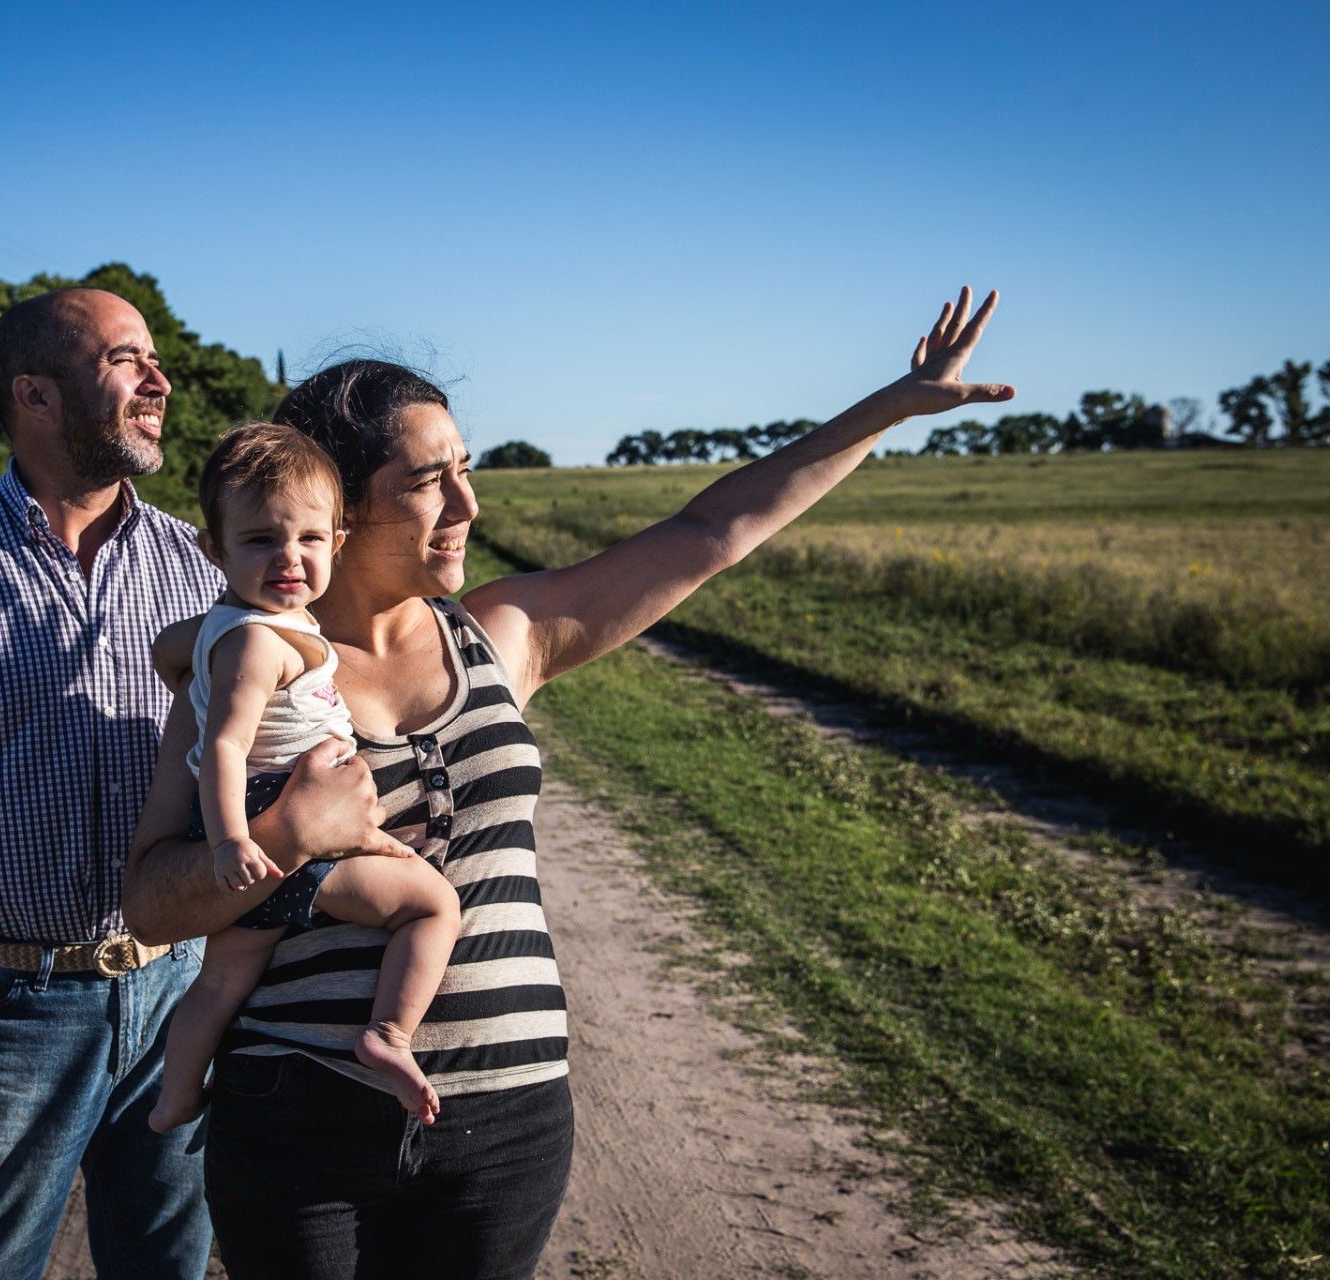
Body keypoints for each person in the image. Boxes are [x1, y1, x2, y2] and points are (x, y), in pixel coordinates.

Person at [122, 288, 1013, 1279]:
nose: (469, 506)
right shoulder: (250, 670)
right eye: (431, 481)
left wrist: (894, 404)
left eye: (466, 472)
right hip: (298, 1115)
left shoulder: (502, 635)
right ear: (342, 500)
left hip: (511, 1117)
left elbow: (713, 528)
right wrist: (287, 834)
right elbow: (151, 903)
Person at [0, 287, 404, 1280]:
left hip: (183, 990)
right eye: (127, 360)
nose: (161, 380)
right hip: (4, 1009)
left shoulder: (206, 562)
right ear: (35, 394)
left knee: (169, 1264)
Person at [146, 423, 463, 1135]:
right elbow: (226, 745)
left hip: (264, 823)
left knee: (222, 979)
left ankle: (173, 1098)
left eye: (310, 540)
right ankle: (388, 1033)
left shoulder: (236, 628)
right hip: (278, 820)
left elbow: (169, 652)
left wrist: (193, 664)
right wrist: (232, 843)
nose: (289, 557)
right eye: (260, 540)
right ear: (215, 550)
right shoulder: (260, 641)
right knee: (430, 905)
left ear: (336, 544)